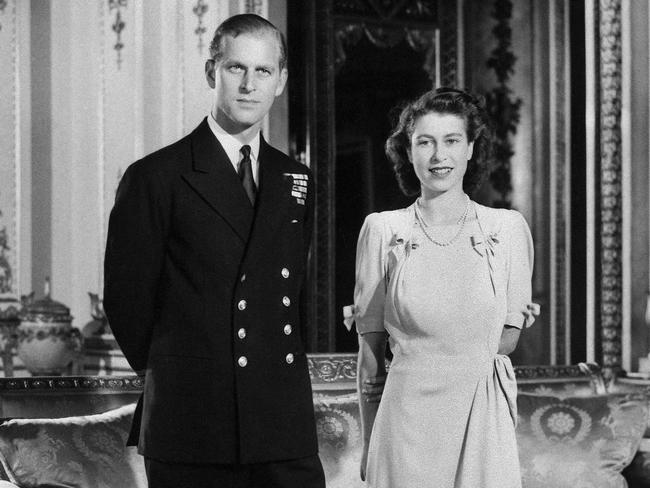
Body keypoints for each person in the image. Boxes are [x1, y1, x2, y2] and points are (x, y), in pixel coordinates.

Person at [103, 14, 325, 488]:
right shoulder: (156, 176)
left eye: (263, 71)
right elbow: (127, 302)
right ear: (211, 72)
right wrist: (184, 366)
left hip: (281, 422)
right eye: (234, 68)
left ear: (281, 81)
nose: (249, 85)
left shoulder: (296, 179)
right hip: (192, 420)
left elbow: (291, 293)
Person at [353, 87, 538, 487]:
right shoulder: (384, 231)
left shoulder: (505, 231)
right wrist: (369, 443)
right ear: (408, 150)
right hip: (403, 430)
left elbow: (505, 340)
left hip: (480, 420)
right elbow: (369, 356)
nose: (440, 156)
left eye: (452, 141)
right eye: (426, 142)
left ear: (471, 148)